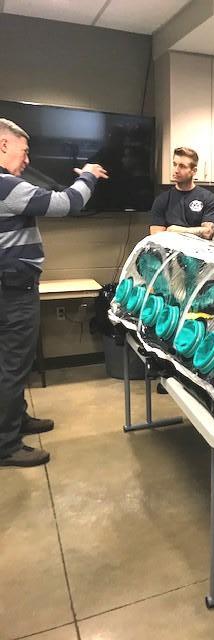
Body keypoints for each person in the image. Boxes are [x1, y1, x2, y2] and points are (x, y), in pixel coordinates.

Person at [0, 118, 108, 467]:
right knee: (13, 365)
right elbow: (68, 204)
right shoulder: (5, 185)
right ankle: (6, 444)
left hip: (10, 288)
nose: (27, 160)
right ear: (3, 145)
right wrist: (88, 175)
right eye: (24, 151)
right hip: (12, 292)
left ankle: (16, 420)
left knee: (12, 363)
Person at [149, 147, 214, 239]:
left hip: (197, 248)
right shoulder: (162, 200)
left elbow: (208, 233)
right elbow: (156, 236)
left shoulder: (208, 198)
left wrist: (176, 230)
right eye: (174, 164)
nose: (176, 170)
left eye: (182, 166)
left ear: (194, 171)